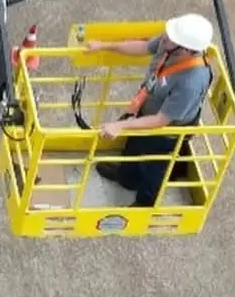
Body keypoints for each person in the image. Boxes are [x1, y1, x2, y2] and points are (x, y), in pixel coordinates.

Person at [87, 13, 214, 208]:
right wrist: (104, 45)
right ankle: (126, 178)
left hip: (166, 133)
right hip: (148, 111)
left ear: (188, 50)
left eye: (172, 36)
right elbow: (143, 47)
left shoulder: (191, 82)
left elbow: (161, 120)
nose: (165, 36)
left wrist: (121, 125)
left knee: (154, 167)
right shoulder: (170, 43)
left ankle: (145, 203)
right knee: (133, 148)